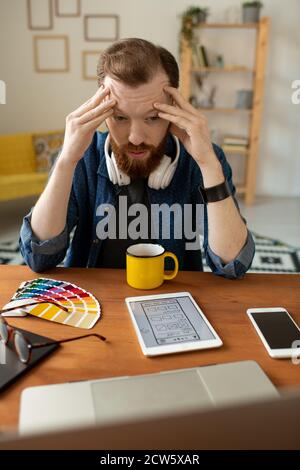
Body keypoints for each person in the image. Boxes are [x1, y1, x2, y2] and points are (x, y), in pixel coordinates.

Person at [19, 38, 255, 279]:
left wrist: (209, 165)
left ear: (174, 108)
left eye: (152, 118)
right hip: (92, 304)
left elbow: (232, 265)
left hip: (175, 300)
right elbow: (38, 257)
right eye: (120, 118)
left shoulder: (202, 161)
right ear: (100, 108)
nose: (135, 138)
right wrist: (66, 161)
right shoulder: (83, 156)